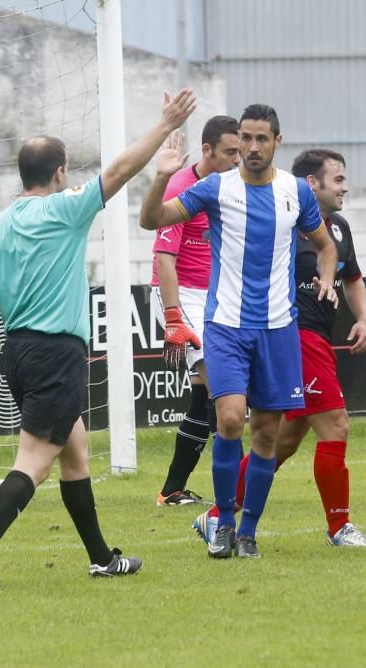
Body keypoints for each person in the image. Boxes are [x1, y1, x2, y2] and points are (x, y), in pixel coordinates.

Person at [0, 89, 197, 587]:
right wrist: (163, 128)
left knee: (76, 452)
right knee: (34, 461)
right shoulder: (67, 209)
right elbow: (120, 170)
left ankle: (102, 558)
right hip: (57, 353)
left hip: (16, 353)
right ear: (61, 172)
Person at [140, 104, 338, 559]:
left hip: (278, 328)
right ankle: (223, 523)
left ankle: (249, 531)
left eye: (260, 139)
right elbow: (151, 221)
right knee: (229, 419)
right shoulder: (214, 188)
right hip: (226, 325)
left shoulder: (296, 192)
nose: (250, 147)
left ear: (277, 141)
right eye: (245, 138)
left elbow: (325, 245)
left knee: (266, 434)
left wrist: (327, 277)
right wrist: (159, 177)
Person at [192, 149, 366, 548]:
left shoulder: (339, 229)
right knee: (335, 425)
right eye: (338, 180)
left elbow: (351, 276)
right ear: (311, 185)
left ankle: (214, 517)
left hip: (317, 339)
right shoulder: (283, 221)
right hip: (293, 337)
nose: (345, 187)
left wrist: (362, 318)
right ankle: (339, 527)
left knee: (285, 438)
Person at [151, 115, 240, 507]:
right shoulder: (181, 186)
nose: (238, 160)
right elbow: (165, 260)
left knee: (205, 395)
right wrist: (173, 317)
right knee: (223, 394)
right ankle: (235, 494)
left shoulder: (231, 187)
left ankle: (172, 489)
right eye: (230, 152)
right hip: (182, 297)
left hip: (215, 296)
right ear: (207, 151)